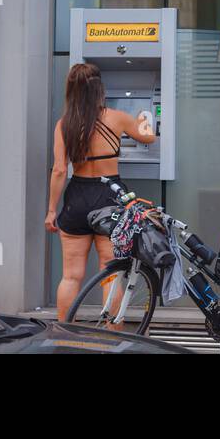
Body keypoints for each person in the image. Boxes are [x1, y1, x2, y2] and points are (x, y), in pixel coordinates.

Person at [45, 62, 156, 320]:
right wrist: (142, 119)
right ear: (99, 89)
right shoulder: (116, 117)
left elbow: (60, 170)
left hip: (77, 197)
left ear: (71, 91)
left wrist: (52, 210)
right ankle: (111, 338)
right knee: (111, 273)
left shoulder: (64, 125)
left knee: (71, 275)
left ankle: (65, 334)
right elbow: (149, 137)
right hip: (110, 196)